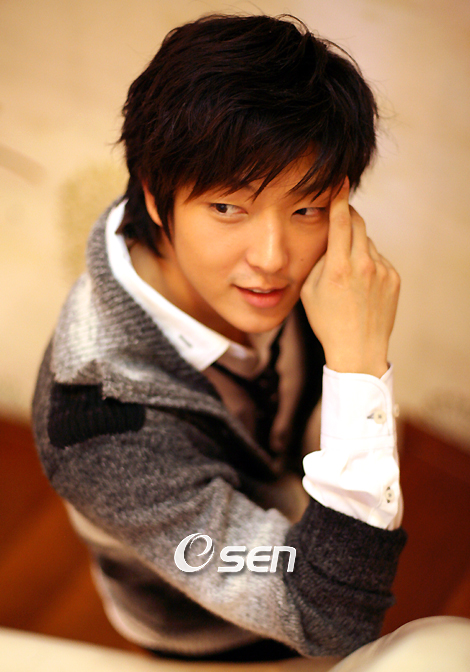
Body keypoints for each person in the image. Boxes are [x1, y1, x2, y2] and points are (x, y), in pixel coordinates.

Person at [33, 12, 409, 664]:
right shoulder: (98, 422)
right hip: (207, 634)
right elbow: (327, 614)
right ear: (156, 199)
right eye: (227, 207)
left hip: (303, 521)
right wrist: (359, 366)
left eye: (307, 208)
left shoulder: (301, 268)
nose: (273, 258)